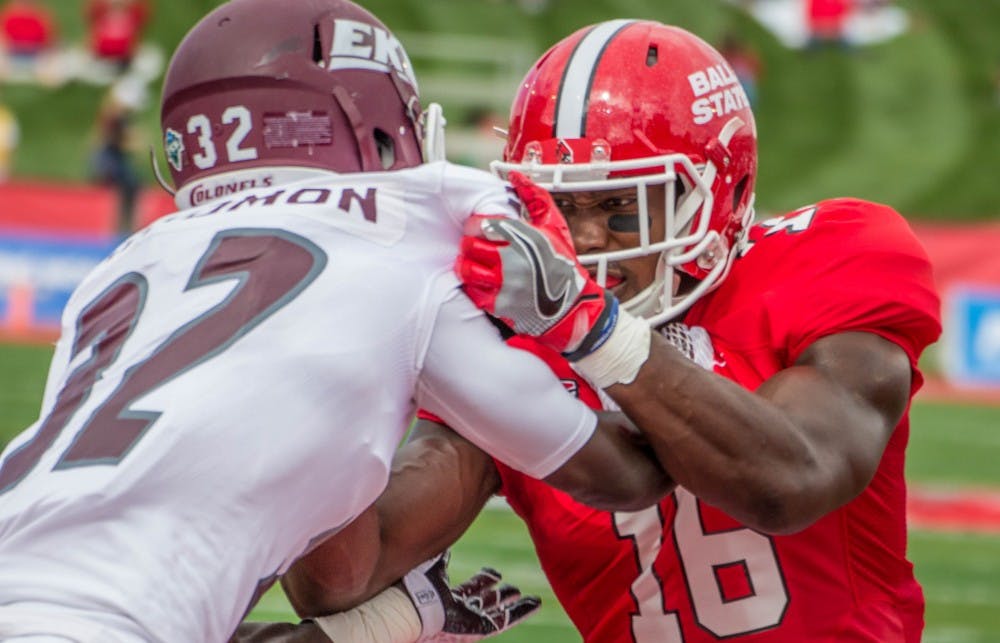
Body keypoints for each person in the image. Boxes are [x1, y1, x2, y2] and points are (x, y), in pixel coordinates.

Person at [0, 3, 676, 642]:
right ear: (364, 119)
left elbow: (329, 571)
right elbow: (624, 476)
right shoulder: (410, 229)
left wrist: (393, 618)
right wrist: (586, 335)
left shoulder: (126, 264)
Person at [264, 18, 942, 643]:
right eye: (559, 206)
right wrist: (327, 362)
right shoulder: (519, 329)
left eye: (620, 207)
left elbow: (792, 477)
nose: (583, 242)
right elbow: (342, 575)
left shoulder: (831, 256)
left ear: (717, 195)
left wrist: (592, 331)